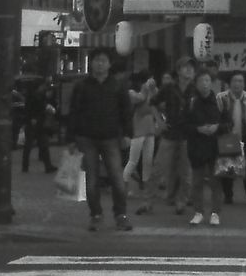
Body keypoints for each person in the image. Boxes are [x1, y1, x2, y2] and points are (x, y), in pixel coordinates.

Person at [68, 48, 134, 231]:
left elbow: (126, 112)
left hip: (111, 137)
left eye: (103, 60)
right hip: (86, 138)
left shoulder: (117, 86)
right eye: (97, 60)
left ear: (109, 64)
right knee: (92, 180)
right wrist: (71, 138)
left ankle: (121, 214)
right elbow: (73, 113)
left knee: (117, 178)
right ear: (91, 63)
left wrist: (128, 134)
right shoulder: (82, 86)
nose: (100, 64)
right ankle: (95, 214)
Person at [186, 68, 228, 227]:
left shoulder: (220, 101)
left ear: (212, 83)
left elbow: (228, 123)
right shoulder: (191, 102)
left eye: (207, 81)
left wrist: (217, 127)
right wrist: (198, 129)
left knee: (215, 183)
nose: (204, 84)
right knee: (196, 182)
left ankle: (215, 213)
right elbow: (184, 125)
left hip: (215, 148)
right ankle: (198, 212)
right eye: (201, 81)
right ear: (196, 84)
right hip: (196, 148)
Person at [153, 58, 195, 215]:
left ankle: (182, 202)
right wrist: (159, 121)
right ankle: (148, 201)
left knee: (185, 172)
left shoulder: (195, 89)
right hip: (169, 133)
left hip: (187, 135)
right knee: (158, 168)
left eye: (191, 68)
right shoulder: (169, 88)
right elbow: (153, 103)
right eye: (185, 67)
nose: (189, 70)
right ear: (178, 70)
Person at [215, 73, 246, 206]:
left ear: (244, 83)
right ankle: (228, 196)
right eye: (235, 81)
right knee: (228, 167)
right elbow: (218, 115)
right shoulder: (221, 97)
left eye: (240, 81)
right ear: (230, 83)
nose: (237, 84)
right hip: (228, 135)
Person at [124, 73, 160, 214]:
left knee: (148, 162)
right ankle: (123, 187)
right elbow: (140, 99)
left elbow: (158, 100)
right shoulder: (131, 92)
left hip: (150, 130)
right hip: (138, 131)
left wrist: (154, 88)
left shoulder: (149, 90)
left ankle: (146, 192)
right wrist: (146, 89)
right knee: (133, 161)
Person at [21, 77, 56, 174]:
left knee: (37, 144)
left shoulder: (37, 95)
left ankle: (45, 165)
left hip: (37, 121)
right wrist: (32, 118)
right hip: (35, 121)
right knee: (34, 144)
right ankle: (46, 165)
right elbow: (32, 108)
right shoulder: (35, 95)